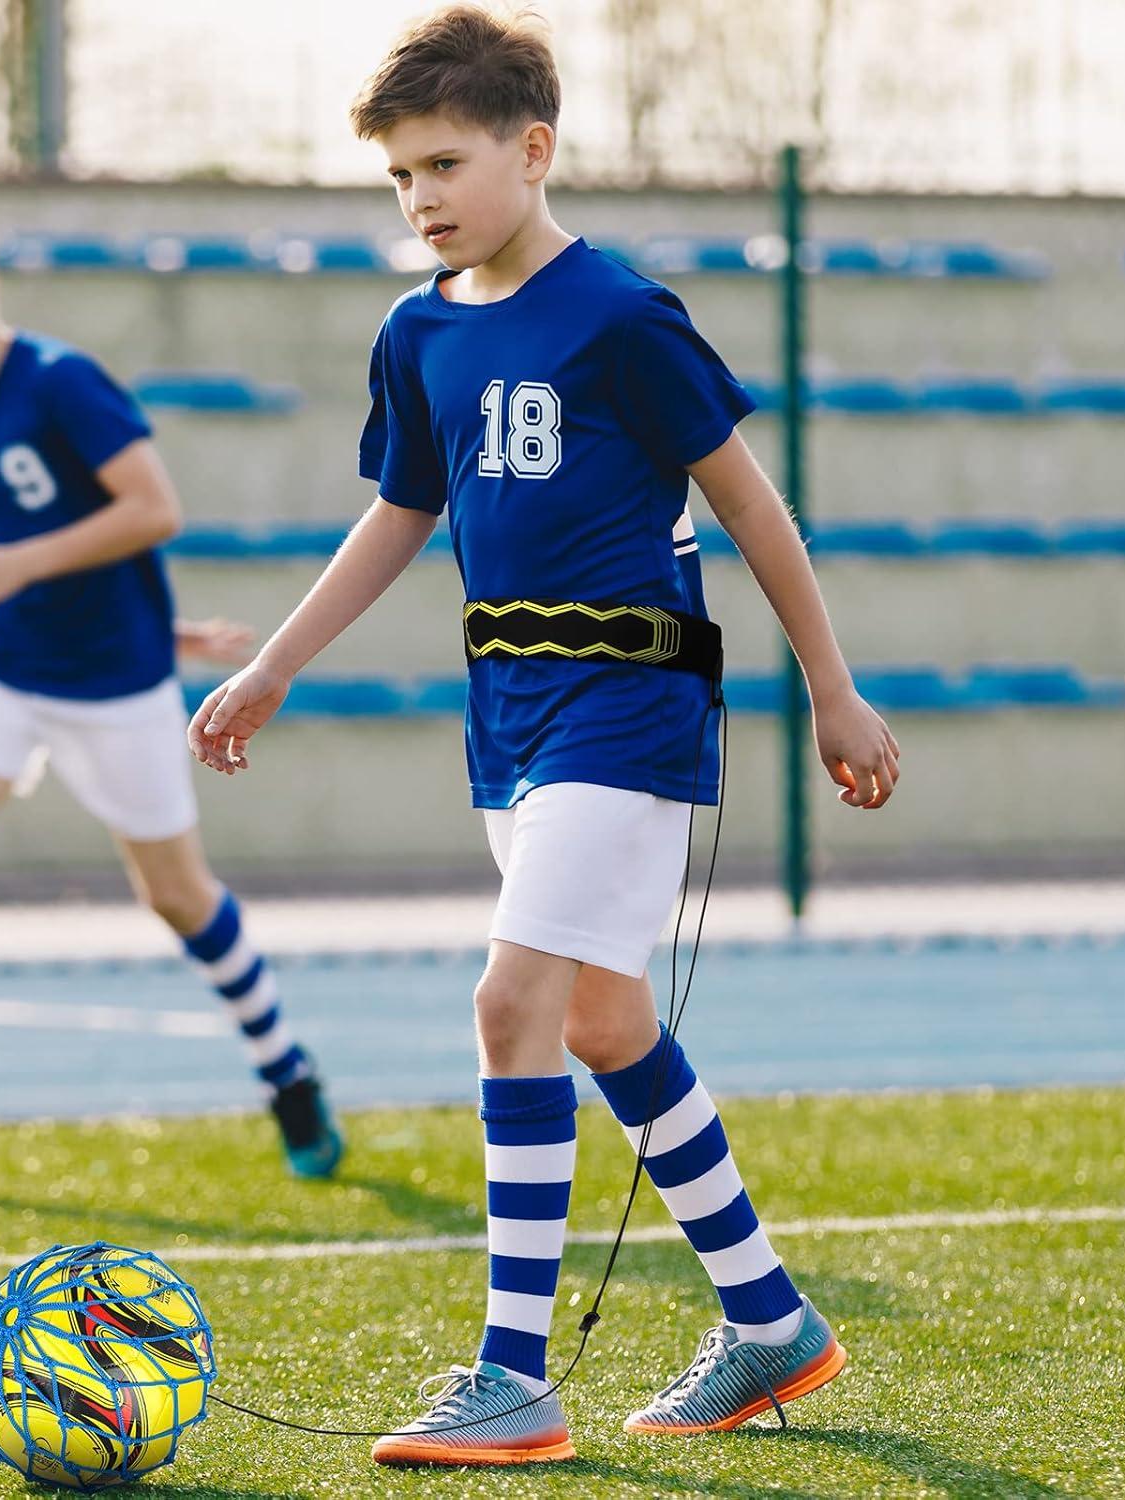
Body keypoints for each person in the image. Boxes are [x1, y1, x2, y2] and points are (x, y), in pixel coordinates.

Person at [189, 4, 898, 1467]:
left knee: (510, 1004)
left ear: (533, 149)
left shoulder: (623, 317)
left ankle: (514, 1377)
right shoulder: (417, 332)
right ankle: (772, 1323)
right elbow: (401, 514)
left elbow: (750, 505)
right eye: (400, 176)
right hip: (506, 717)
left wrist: (832, 686)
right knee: (601, 1021)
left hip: (629, 705)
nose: (421, 197)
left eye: (444, 164)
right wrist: (271, 668)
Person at [0, 187, 341, 1200]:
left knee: (177, 896)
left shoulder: (61, 381)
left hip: (113, 688)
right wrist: (47, 583)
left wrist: (35, 575)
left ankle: (286, 1068)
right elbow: (50, 545)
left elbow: (151, 510)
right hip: (0, 668)